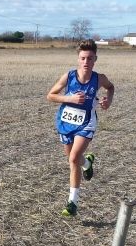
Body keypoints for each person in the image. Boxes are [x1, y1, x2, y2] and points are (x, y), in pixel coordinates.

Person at [46, 39, 115, 217]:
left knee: (73, 158)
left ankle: (72, 203)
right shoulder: (68, 77)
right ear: (78, 59)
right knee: (73, 159)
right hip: (66, 122)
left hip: (87, 122)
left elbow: (110, 87)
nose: (86, 62)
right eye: (83, 58)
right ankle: (88, 163)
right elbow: (51, 95)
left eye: (90, 58)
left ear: (95, 59)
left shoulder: (99, 78)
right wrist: (70, 99)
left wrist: (108, 101)